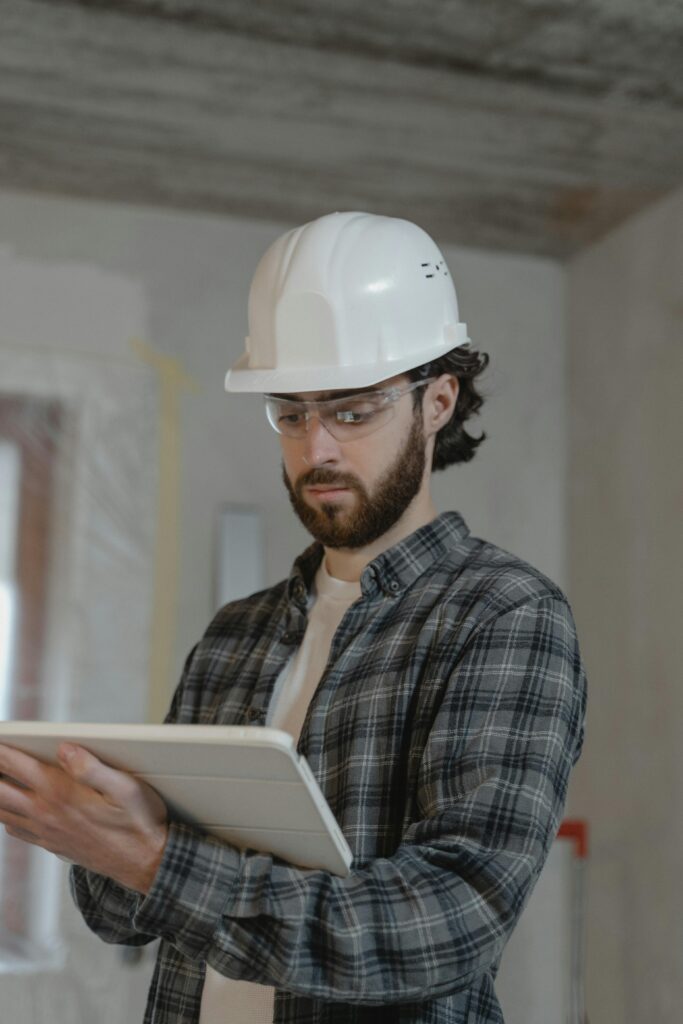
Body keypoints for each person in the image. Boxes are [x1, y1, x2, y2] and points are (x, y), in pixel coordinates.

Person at [0, 211, 587, 1024]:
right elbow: (123, 911)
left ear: (437, 401)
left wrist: (154, 858)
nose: (316, 450)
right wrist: (96, 835)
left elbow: (450, 923)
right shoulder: (237, 634)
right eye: (290, 411)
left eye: (352, 411)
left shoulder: (502, 616)